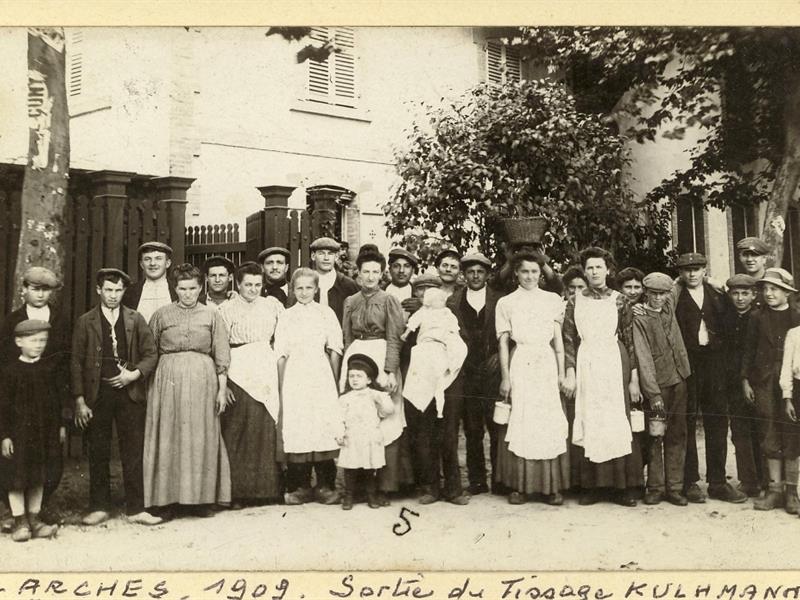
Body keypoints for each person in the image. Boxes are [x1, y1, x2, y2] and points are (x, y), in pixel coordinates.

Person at [71, 268, 162, 527]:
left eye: (118, 290)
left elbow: (151, 354)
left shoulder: (135, 318)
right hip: (97, 394)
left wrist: (133, 375)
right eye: (108, 290)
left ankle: (136, 508)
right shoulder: (85, 321)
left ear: (124, 291)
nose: (113, 295)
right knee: (98, 449)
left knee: (133, 450)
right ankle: (99, 506)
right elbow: (76, 362)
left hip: (129, 394)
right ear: (99, 290)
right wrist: (79, 399)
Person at [143, 264, 232, 518]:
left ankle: (200, 500)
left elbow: (222, 353)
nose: (187, 294)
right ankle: (166, 499)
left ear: (200, 287)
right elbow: (150, 351)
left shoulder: (212, 315)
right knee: (168, 435)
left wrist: (221, 389)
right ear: (175, 288)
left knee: (200, 436)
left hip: (203, 381)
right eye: (182, 289)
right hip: (167, 381)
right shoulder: (161, 315)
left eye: (192, 288)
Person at [562, 247, 643, 507]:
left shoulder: (620, 299)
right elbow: (568, 339)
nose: (594, 272)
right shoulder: (575, 301)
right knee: (589, 418)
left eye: (598, 267)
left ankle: (621, 487)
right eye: (589, 268)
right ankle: (591, 487)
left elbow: (630, 340)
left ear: (608, 270)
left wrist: (633, 379)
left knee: (614, 420)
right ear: (584, 272)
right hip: (586, 362)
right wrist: (571, 373)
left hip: (613, 362)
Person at [495, 251, 569, 505]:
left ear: (542, 273)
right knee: (523, 421)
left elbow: (558, 343)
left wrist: (560, 373)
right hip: (521, 364)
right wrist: (505, 378)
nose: (529, 276)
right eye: (524, 271)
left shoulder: (552, 300)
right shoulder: (506, 303)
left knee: (547, 420)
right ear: (516, 272)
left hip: (546, 364)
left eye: (534, 271)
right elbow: (503, 344)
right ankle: (521, 486)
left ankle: (551, 487)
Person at [673, 252, 745, 504]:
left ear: (705, 270)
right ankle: (690, 481)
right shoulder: (676, 296)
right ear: (680, 273)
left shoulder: (716, 295)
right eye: (686, 270)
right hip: (688, 363)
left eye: (697, 269)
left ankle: (717, 482)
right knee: (688, 419)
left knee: (717, 419)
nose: (692, 274)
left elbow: (730, 323)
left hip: (714, 363)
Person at [0, 266, 71, 522]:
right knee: (16, 460)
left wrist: (64, 411)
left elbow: (65, 363)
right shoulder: (12, 321)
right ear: (25, 290)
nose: (41, 295)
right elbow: (6, 363)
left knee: (49, 459)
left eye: (46, 290)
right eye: (35, 289)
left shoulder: (61, 319)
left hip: (49, 395)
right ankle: (14, 512)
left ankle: (40, 509)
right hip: (20, 397)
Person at [340, 251, 410, 505]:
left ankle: (383, 486)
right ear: (358, 273)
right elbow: (347, 337)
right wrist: (347, 369)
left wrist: (390, 370)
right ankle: (356, 487)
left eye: (375, 272)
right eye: (365, 271)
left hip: (381, 357)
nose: (370, 277)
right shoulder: (350, 301)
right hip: (356, 358)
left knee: (384, 422)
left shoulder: (389, 300)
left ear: (382, 274)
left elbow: (394, 337)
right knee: (356, 421)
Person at [218, 262, 285, 507]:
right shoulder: (225, 309)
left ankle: (268, 490)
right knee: (239, 427)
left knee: (266, 424)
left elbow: (282, 337)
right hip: (238, 369)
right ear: (237, 284)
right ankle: (238, 492)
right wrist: (223, 383)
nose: (253, 289)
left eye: (258, 284)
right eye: (248, 284)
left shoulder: (273, 306)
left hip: (265, 367)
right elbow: (220, 345)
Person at [276, 268, 343, 505]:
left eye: (308, 288)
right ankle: (300, 486)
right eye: (299, 288)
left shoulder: (326, 313)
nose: (304, 292)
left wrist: (333, 382)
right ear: (293, 290)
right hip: (295, 376)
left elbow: (335, 348)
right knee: (298, 426)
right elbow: (281, 353)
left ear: (316, 289)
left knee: (322, 424)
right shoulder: (286, 316)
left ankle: (325, 485)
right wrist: (282, 385)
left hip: (320, 374)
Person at [401, 274, 470, 506]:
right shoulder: (414, 317)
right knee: (424, 433)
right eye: (420, 290)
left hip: (447, 378)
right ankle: (430, 486)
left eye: (431, 290)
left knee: (449, 433)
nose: (425, 295)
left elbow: (462, 342)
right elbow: (404, 346)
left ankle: (453, 488)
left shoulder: (450, 314)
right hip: (420, 379)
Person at [446, 252, 504, 495]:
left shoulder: (499, 300)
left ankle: (500, 480)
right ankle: (478, 480)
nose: (476, 276)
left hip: (493, 371)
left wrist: (497, 361)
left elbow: (505, 336)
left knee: (496, 425)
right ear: (464, 274)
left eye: (480, 271)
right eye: (471, 271)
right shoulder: (454, 301)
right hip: (466, 372)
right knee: (472, 428)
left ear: (488, 274)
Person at [0, 320, 64, 542]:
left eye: (43, 341)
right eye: (33, 340)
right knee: (16, 477)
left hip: (42, 433)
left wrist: (60, 427)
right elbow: (3, 407)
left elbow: (55, 403)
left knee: (38, 476)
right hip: (18, 435)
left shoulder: (48, 369)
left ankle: (34, 520)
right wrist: (4, 435)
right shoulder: (9, 372)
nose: (39, 345)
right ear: (19, 341)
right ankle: (19, 521)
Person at [743, 268, 800, 512]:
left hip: (790, 380)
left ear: (787, 293)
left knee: (791, 430)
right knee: (768, 428)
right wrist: (744, 380)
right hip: (764, 379)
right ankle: (774, 489)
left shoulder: (796, 317)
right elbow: (748, 350)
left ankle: (791, 491)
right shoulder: (757, 317)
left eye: (774, 289)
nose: (768, 293)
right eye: (765, 289)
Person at [633, 272, 691, 506]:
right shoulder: (639, 318)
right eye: (654, 293)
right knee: (656, 435)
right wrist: (653, 393)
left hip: (680, 380)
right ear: (646, 293)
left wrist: (708, 279)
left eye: (662, 293)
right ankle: (655, 486)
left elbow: (680, 281)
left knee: (678, 434)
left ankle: (675, 487)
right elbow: (643, 357)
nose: (658, 298)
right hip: (658, 386)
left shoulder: (669, 305)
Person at [337, 354, 395, 510]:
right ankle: (349, 495)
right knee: (350, 468)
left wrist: (383, 397)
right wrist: (339, 433)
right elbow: (339, 418)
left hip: (369, 437)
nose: (354, 379)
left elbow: (388, 411)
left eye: (359, 376)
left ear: (369, 380)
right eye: (351, 376)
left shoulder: (374, 395)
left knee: (370, 468)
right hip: (352, 437)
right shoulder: (345, 398)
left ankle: (371, 495)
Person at [724, 274, 764, 497]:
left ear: (753, 295)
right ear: (730, 295)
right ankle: (748, 480)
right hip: (731, 383)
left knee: (760, 428)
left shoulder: (759, 317)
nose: (740, 298)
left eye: (745, 293)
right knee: (739, 431)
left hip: (756, 381)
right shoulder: (725, 317)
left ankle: (765, 479)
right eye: (735, 293)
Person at [402, 287, 468, 419]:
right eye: (439, 300)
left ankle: (440, 404)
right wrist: (405, 334)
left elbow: (454, 328)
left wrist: (452, 337)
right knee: (423, 361)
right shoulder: (424, 312)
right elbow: (413, 323)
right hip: (427, 342)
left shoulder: (447, 312)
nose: (442, 302)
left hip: (444, 342)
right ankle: (428, 400)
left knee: (459, 349)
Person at [303, 236, 359, 324]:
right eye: (321, 253)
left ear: (336, 257)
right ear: (313, 256)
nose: (326, 258)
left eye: (330, 254)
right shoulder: (305, 283)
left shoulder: (348, 285)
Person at [122, 241, 177, 324]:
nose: (152, 263)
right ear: (141, 264)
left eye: (158, 258)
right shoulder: (130, 292)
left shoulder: (178, 290)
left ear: (168, 263)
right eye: (147, 259)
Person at [384, 247, 419, 318]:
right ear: (390, 269)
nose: (401, 271)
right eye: (396, 266)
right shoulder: (379, 292)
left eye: (407, 266)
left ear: (413, 271)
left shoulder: (419, 296)